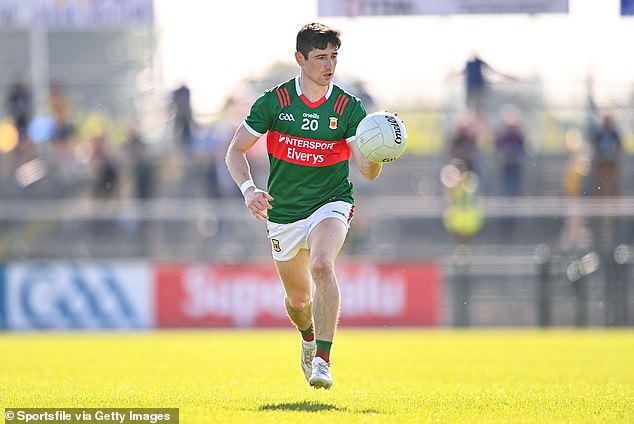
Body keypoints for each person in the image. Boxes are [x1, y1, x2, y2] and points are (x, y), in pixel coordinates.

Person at [225, 22, 382, 390]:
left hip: (331, 203)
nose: (329, 65)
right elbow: (235, 151)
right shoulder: (275, 102)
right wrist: (249, 189)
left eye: (334, 57)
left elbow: (367, 172)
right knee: (298, 300)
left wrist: (379, 153)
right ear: (300, 59)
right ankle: (309, 339)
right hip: (283, 213)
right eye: (321, 57)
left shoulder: (348, 107)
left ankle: (324, 362)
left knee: (322, 265)